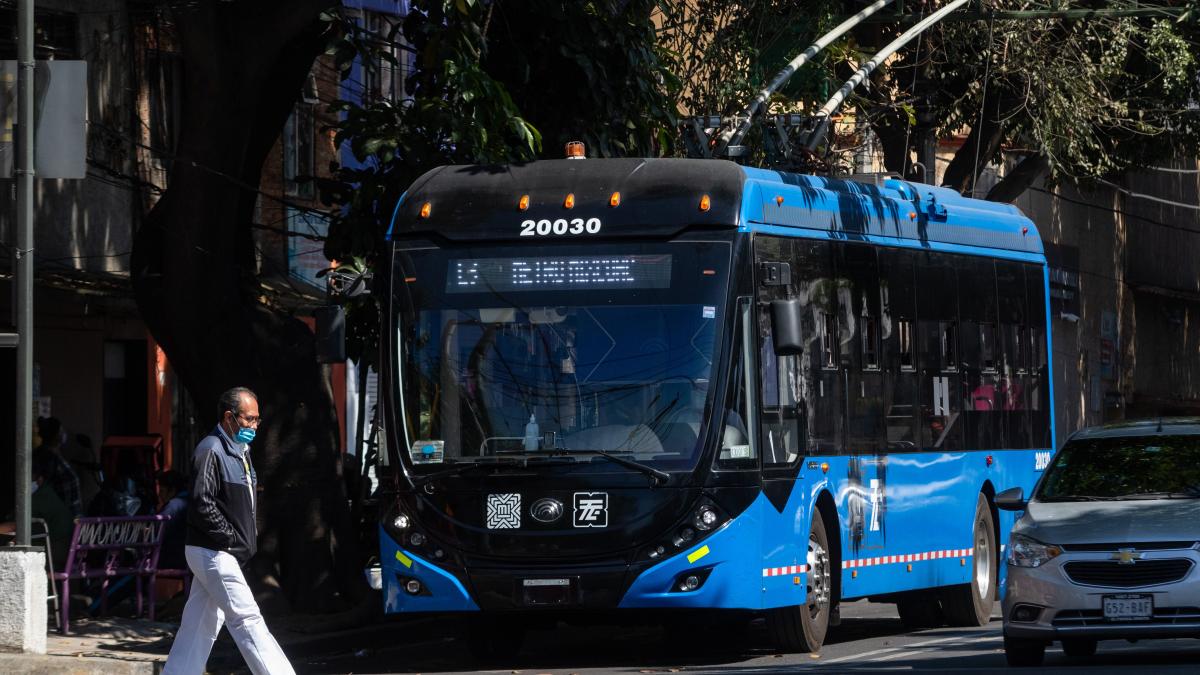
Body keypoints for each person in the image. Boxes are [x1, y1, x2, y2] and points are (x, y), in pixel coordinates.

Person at [163, 387, 294, 675]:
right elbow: (202, 503)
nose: (254, 426)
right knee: (247, 618)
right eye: (249, 419)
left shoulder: (240, 452)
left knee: (199, 624)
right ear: (229, 417)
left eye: (257, 420)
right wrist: (231, 540)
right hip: (214, 551)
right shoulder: (211, 449)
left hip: (217, 551)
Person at [35, 416, 83, 516]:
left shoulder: (56, 456)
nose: (64, 434)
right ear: (56, 435)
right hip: (59, 519)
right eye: (62, 430)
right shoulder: (48, 458)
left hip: (69, 518)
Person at [156, 470, 189, 570]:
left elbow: (158, 530)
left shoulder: (174, 505)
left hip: (171, 560)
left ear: (172, 490)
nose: (159, 495)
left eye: (162, 491)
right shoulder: (189, 501)